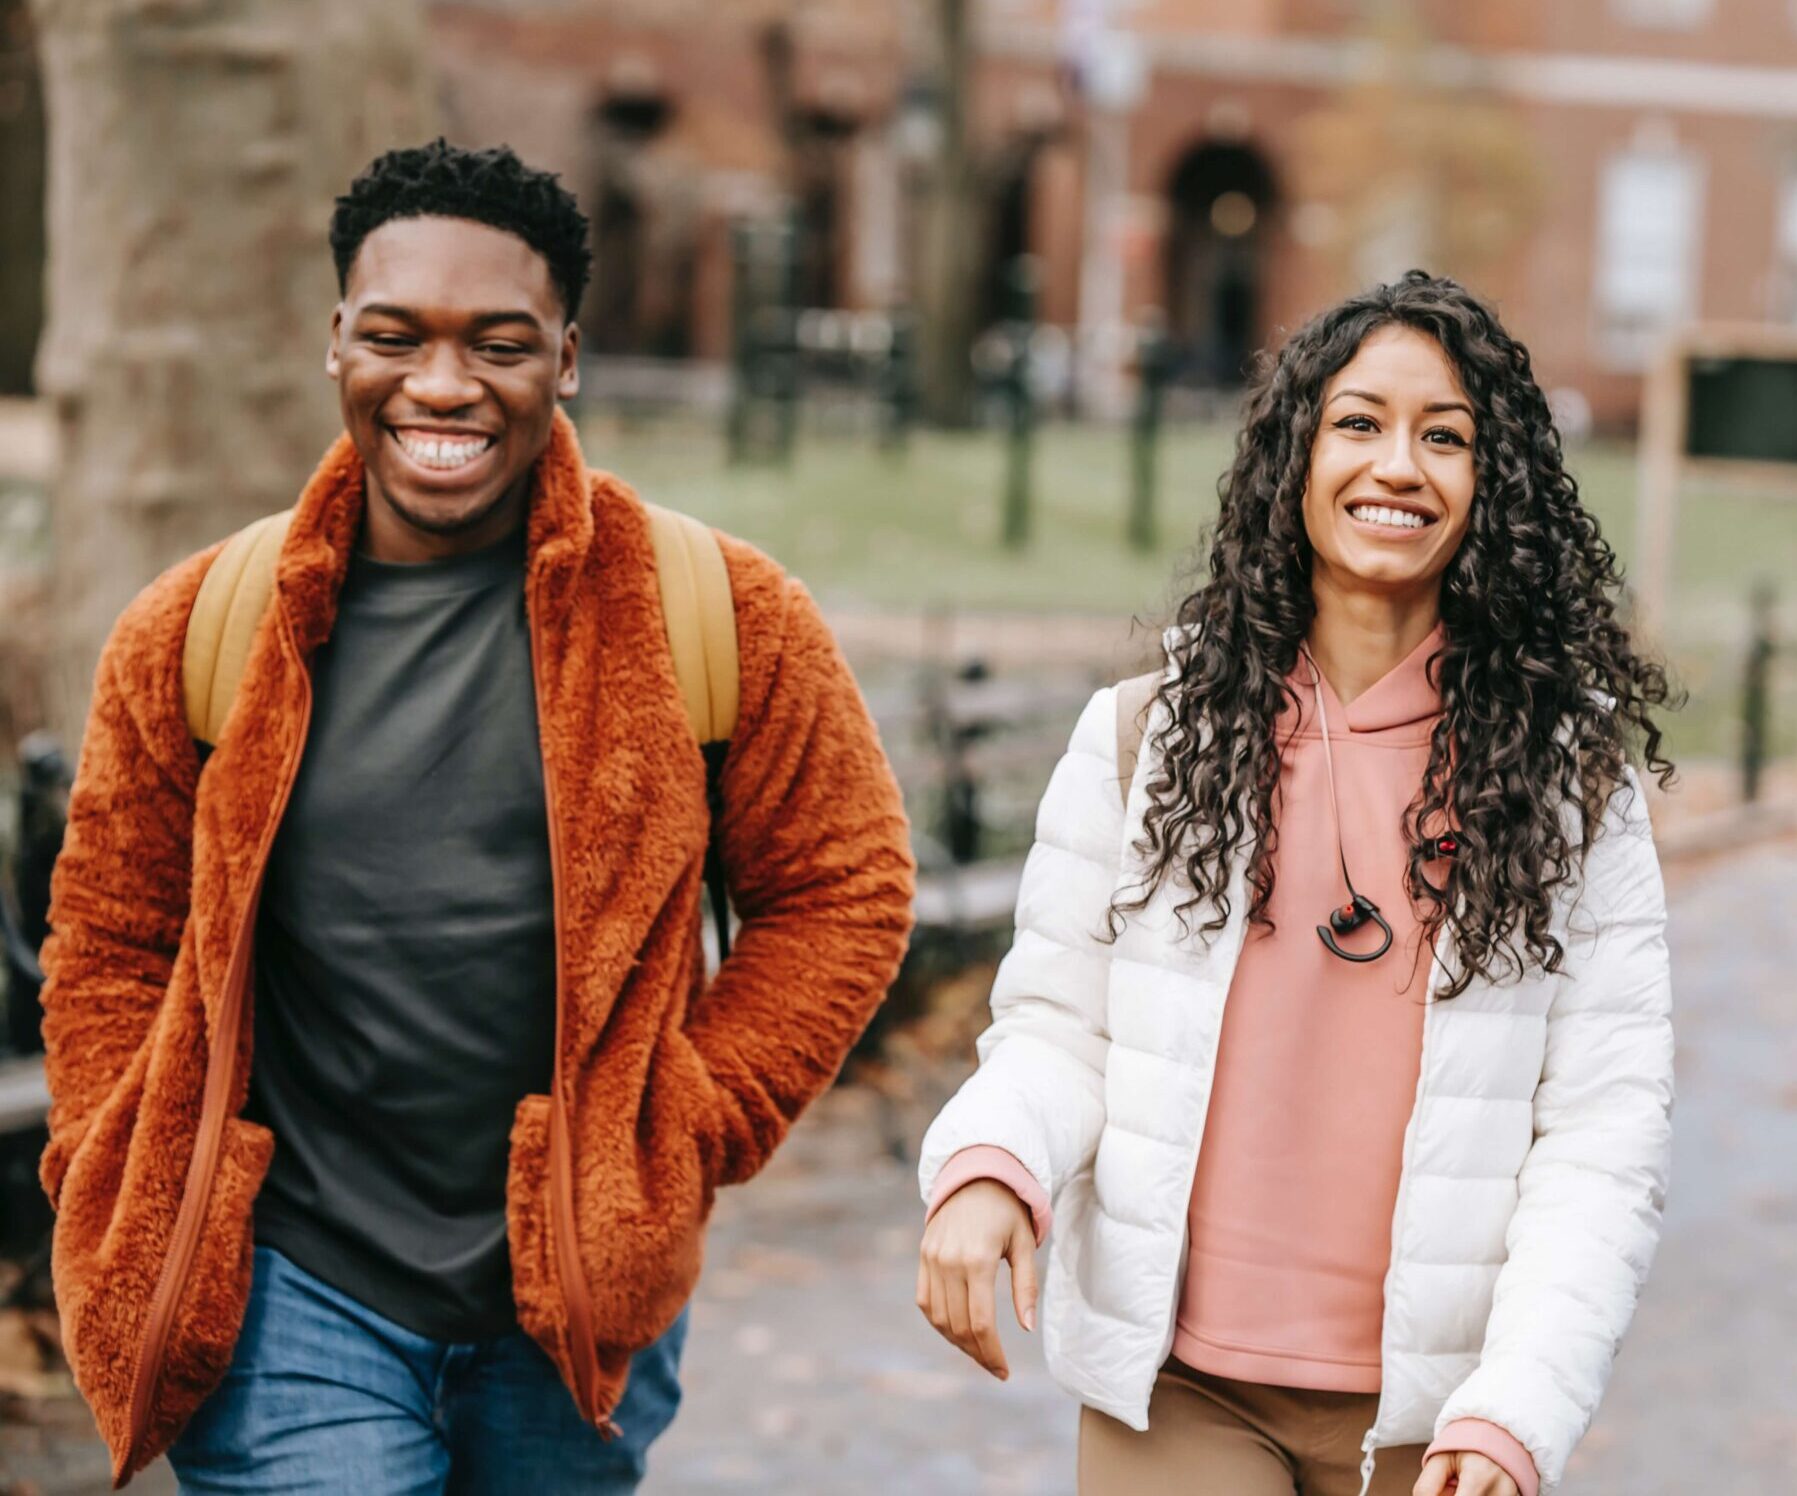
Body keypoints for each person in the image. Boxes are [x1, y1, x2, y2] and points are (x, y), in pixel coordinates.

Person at [38, 140, 916, 1493]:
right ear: (338, 344)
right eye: (395, 337)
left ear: (564, 358)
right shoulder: (200, 628)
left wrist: (679, 1123)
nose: (441, 385)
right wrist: (122, 1167)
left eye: (497, 344)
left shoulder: (714, 612)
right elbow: (108, 935)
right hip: (288, 1290)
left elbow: (843, 890)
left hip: (573, 1305)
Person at [913, 272, 1676, 1496]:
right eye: (1358, 422)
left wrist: (1516, 1409)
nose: (1398, 465)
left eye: (1446, 435)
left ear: (1498, 488)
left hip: (1440, 1420)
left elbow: (1601, 1138)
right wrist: (993, 1162)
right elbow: (1060, 1027)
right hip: (1182, 1389)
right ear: (1295, 456)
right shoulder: (1144, 739)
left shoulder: (1571, 786)